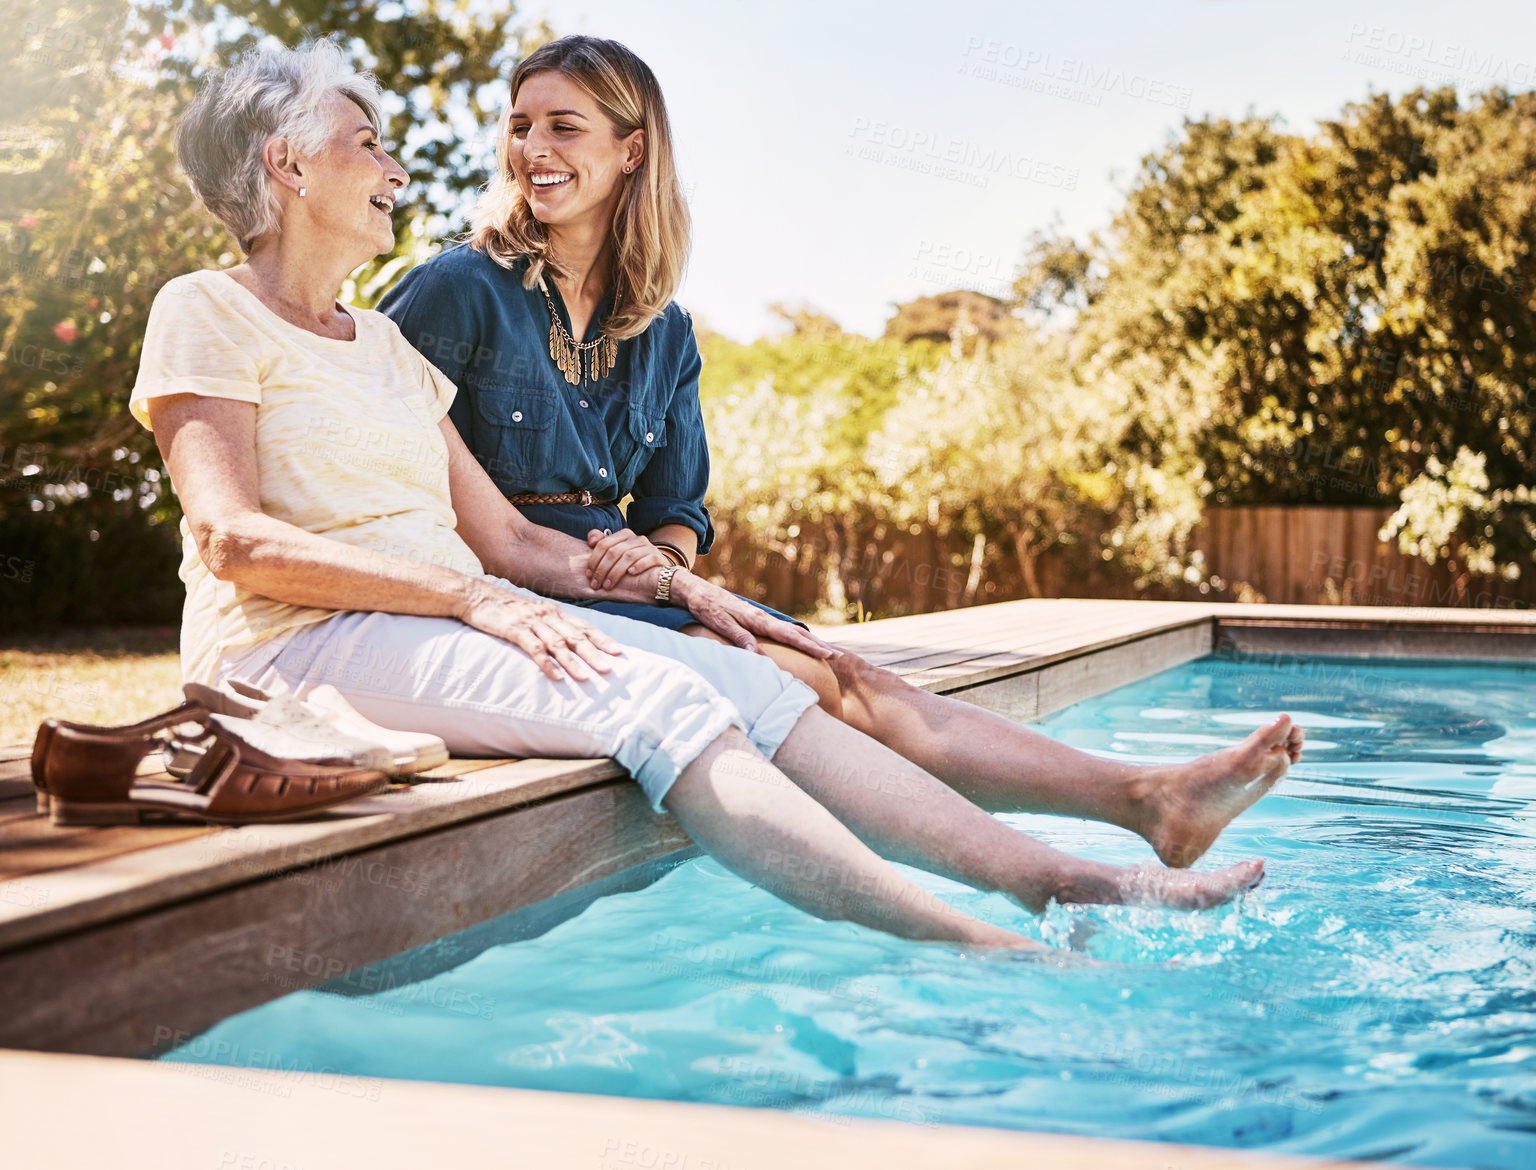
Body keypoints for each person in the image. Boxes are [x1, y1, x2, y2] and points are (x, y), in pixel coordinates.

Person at [137, 41, 1280, 951]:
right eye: (368, 145)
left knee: (749, 677)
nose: (397, 170)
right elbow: (231, 538)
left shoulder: (384, 344)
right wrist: (473, 600)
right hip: (295, 644)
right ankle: (981, 945)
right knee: (668, 707)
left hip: (423, 621)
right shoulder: (209, 306)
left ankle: (1069, 879)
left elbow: (508, 537)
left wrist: (677, 583)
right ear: (288, 168)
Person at [380, 34, 1304, 867]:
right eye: (520, 126)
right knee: (809, 681)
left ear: (632, 151)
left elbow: (678, 512)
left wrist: (657, 563)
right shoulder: (456, 288)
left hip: (638, 585)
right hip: (505, 594)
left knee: (851, 672)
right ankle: (1138, 806)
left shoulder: (666, 332)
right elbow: (366, 455)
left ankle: (1143, 800)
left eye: (563, 128)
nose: (532, 151)